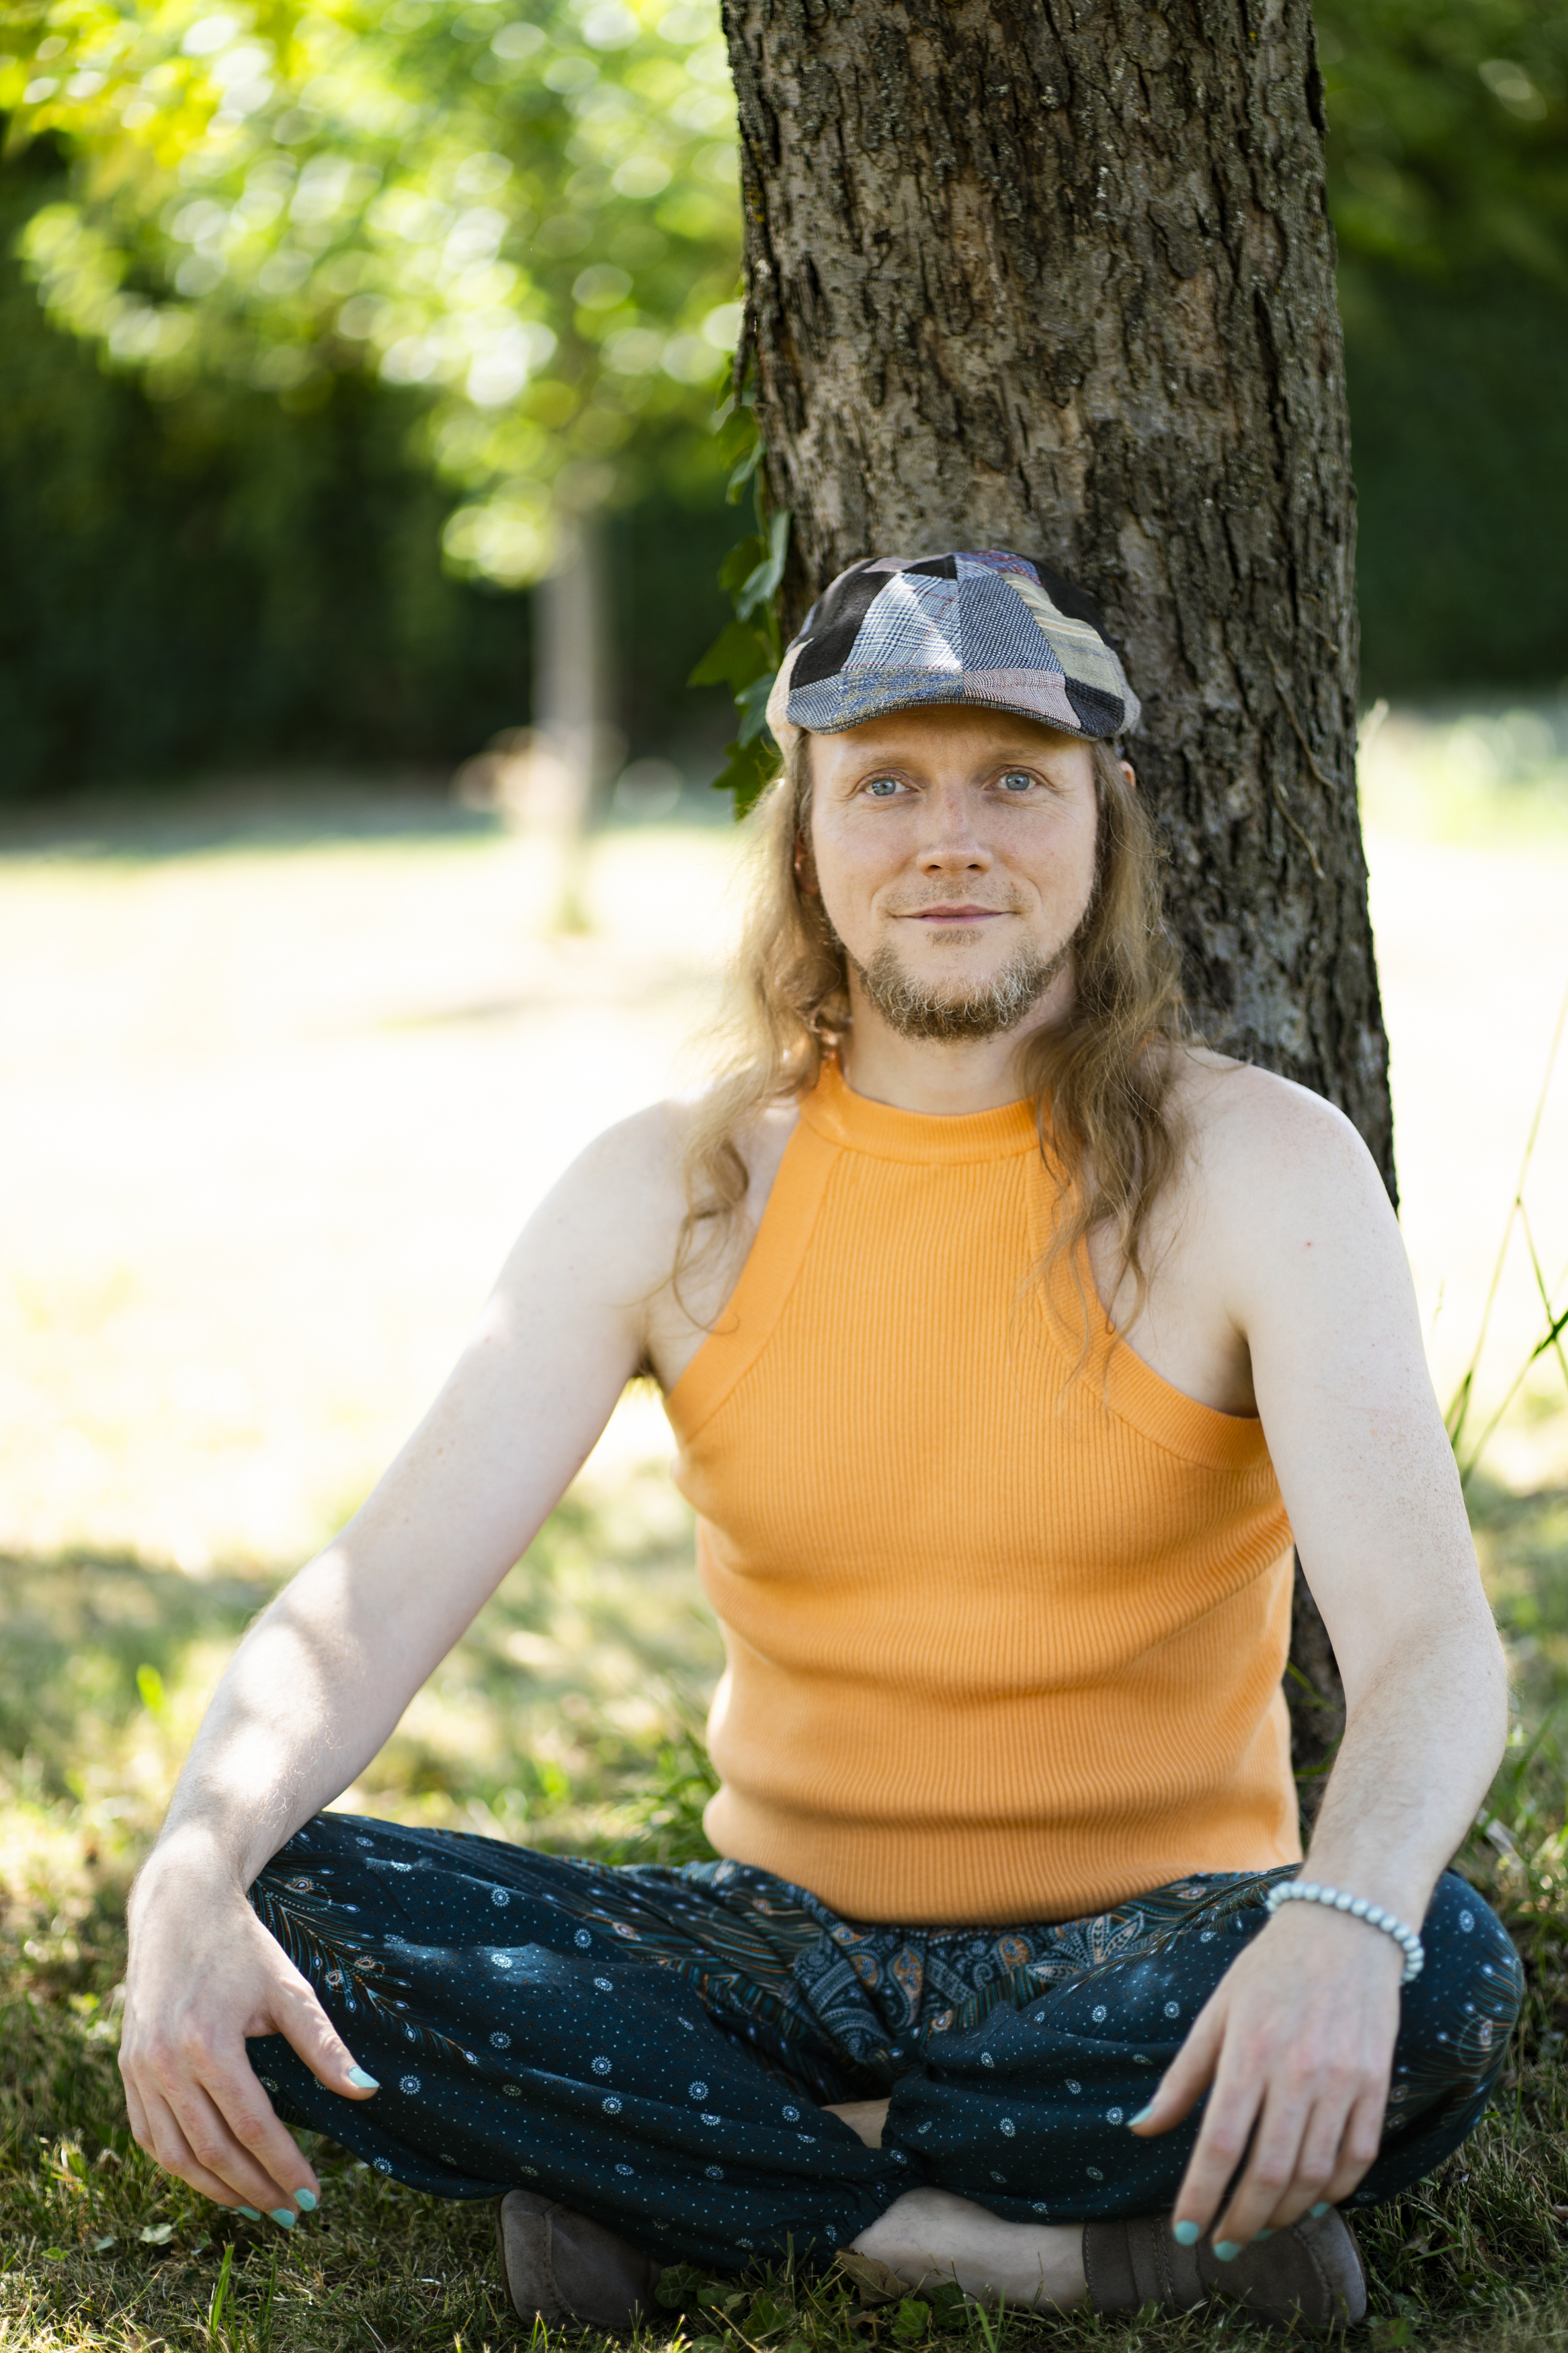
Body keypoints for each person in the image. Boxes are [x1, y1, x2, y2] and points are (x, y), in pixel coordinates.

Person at [119, 551, 1518, 2336]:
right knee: (278, 1896)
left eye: (1013, 779)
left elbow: (1431, 1647)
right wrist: (190, 1866)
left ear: (1106, 820)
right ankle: (1008, 2244)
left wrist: (1340, 1915)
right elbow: (370, 1602)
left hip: (1144, 1956)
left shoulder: (1266, 1169)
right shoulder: (668, 1189)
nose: (953, 841)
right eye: (888, 786)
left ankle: (680, 2174)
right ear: (805, 840)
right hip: (767, 1956)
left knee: (1438, 1966)